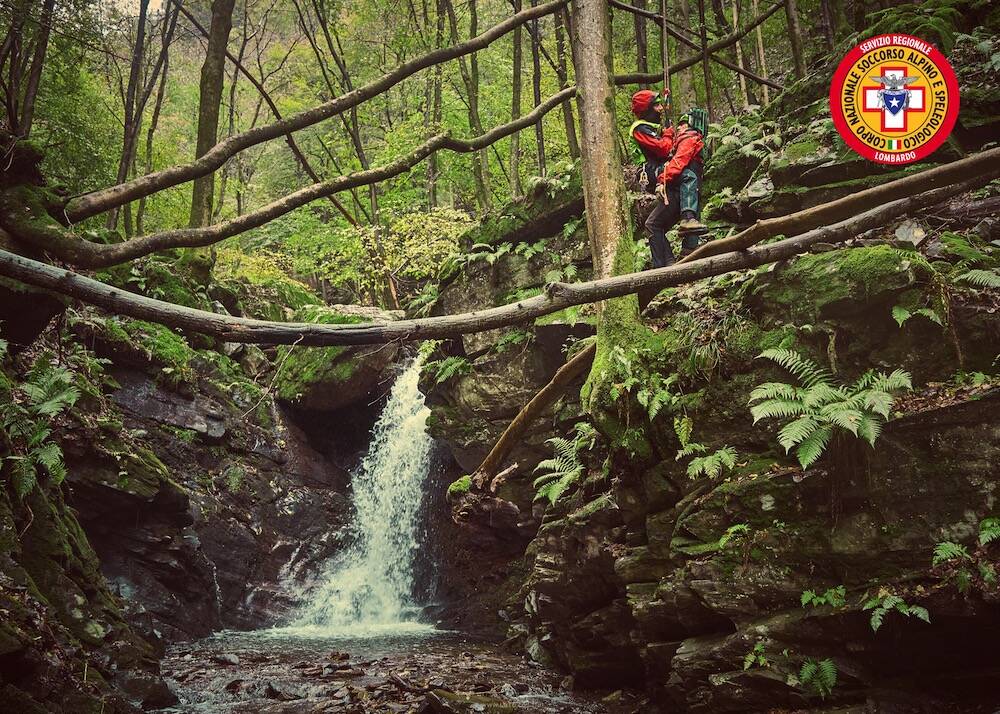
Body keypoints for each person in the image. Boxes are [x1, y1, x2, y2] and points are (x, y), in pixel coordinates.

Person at [646, 112, 707, 267]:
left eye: (682, 124)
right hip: (684, 193)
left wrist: (662, 180)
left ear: (691, 125)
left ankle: (664, 267)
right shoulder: (685, 140)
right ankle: (670, 263)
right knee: (654, 225)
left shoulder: (690, 138)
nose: (678, 127)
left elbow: (679, 162)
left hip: (680, 193)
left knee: (653, 224)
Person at [629, 88, 673, 194]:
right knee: (685, 175)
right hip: (649, 171)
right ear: (647, 110)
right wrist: (667, 135)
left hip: (658, 167)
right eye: (657, 105)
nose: (661, 108)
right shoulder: (640, 129)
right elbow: (663, 149)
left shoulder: (651, 127)